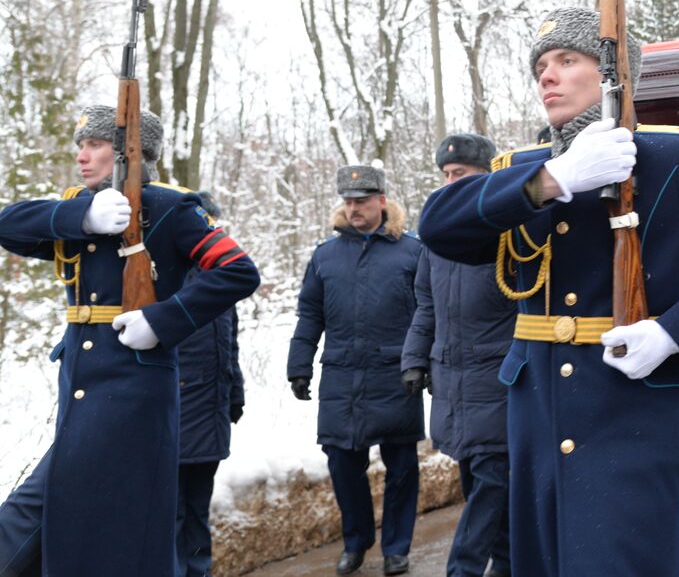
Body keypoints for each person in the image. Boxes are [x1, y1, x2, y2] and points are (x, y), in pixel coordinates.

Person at [415, 7, 679, 577]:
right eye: (540, 65)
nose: (546, 76)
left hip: (637, 415)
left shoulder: (671, 159)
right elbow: (439, 226)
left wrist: (675, 333)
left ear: (611, 78)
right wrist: (556, 179)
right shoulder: (524, 170)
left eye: (566, 61)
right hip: (541, 418)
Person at [0, 105, 260, 577]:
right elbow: (8, 225)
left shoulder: (171, 207)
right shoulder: (83, 207)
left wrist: (163, 320)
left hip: (134, 389)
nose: (82, 156)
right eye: (81, 145)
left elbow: (238, 271)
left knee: (54, 506)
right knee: (84, 515)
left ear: (129, 155)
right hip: (79, 383)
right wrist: (81, 215)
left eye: (96, 145)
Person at [287, 164, 425, 576]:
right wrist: (299, 365)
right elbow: (309, 314)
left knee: (401, 466)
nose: (354, 209)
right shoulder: (325, 255)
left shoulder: (412, 252)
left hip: (396, 374)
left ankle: (397, 548)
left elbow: (427, 313)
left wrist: (424, 363)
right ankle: (357, 539)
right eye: (348, 201)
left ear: (382, 201)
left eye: (362, 201)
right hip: (341, 376)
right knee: (342, 463)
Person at [401, 133, 514, 577]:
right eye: (445, 175)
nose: (450, 183)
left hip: (497, 382)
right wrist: (414, 360)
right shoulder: (437, 240)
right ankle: (507, 564)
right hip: (451, 385)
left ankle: (462, 569)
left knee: (489, 485)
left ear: (486, 178)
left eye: (460, 175)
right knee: (482, 486)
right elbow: (425, 306)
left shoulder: (508, 231)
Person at [175, 191, 246, 577]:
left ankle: (197, 571)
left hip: (211, 411)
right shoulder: (165, 274)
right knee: (173, 512)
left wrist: (235, 392)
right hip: (175, 410)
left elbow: (228, 343)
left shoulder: (219, 277)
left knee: (197, 511)